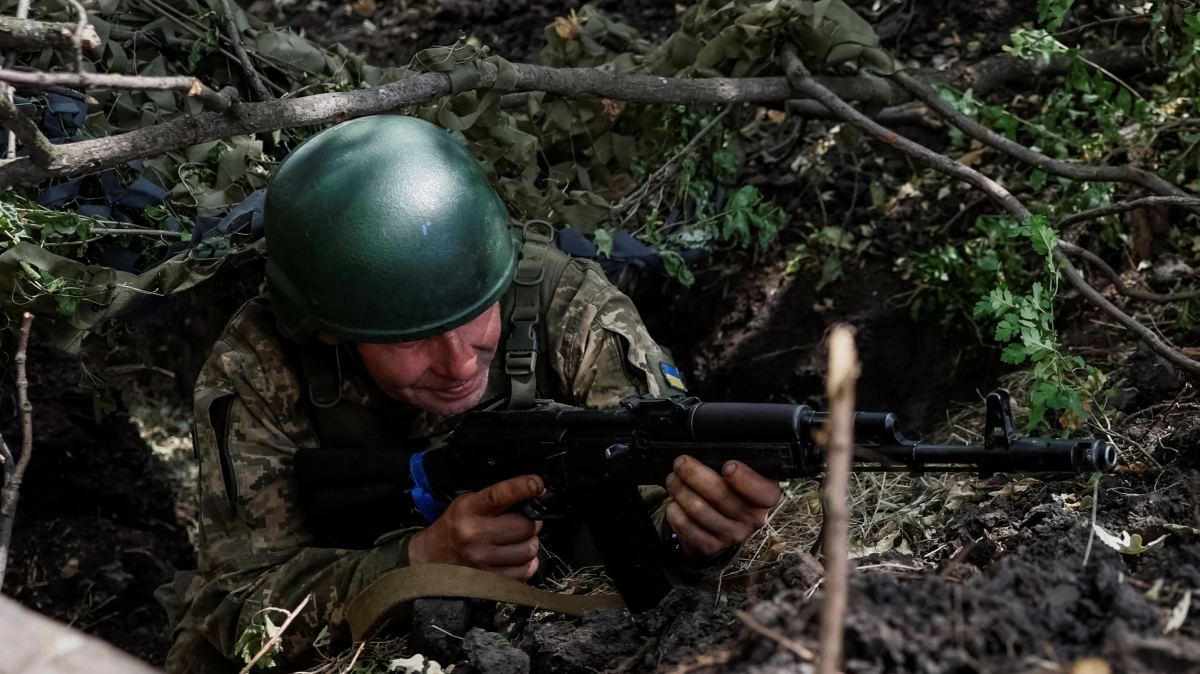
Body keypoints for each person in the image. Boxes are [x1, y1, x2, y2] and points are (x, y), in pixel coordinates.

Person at [161, 115, 781, 673]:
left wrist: (693, 536)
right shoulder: (260, 367)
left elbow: (660, 494)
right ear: (331, 332)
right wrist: (420, 560)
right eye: (413, 338)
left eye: (477, 315)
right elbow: (238, 607)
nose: (458, 364)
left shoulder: (567, 307)